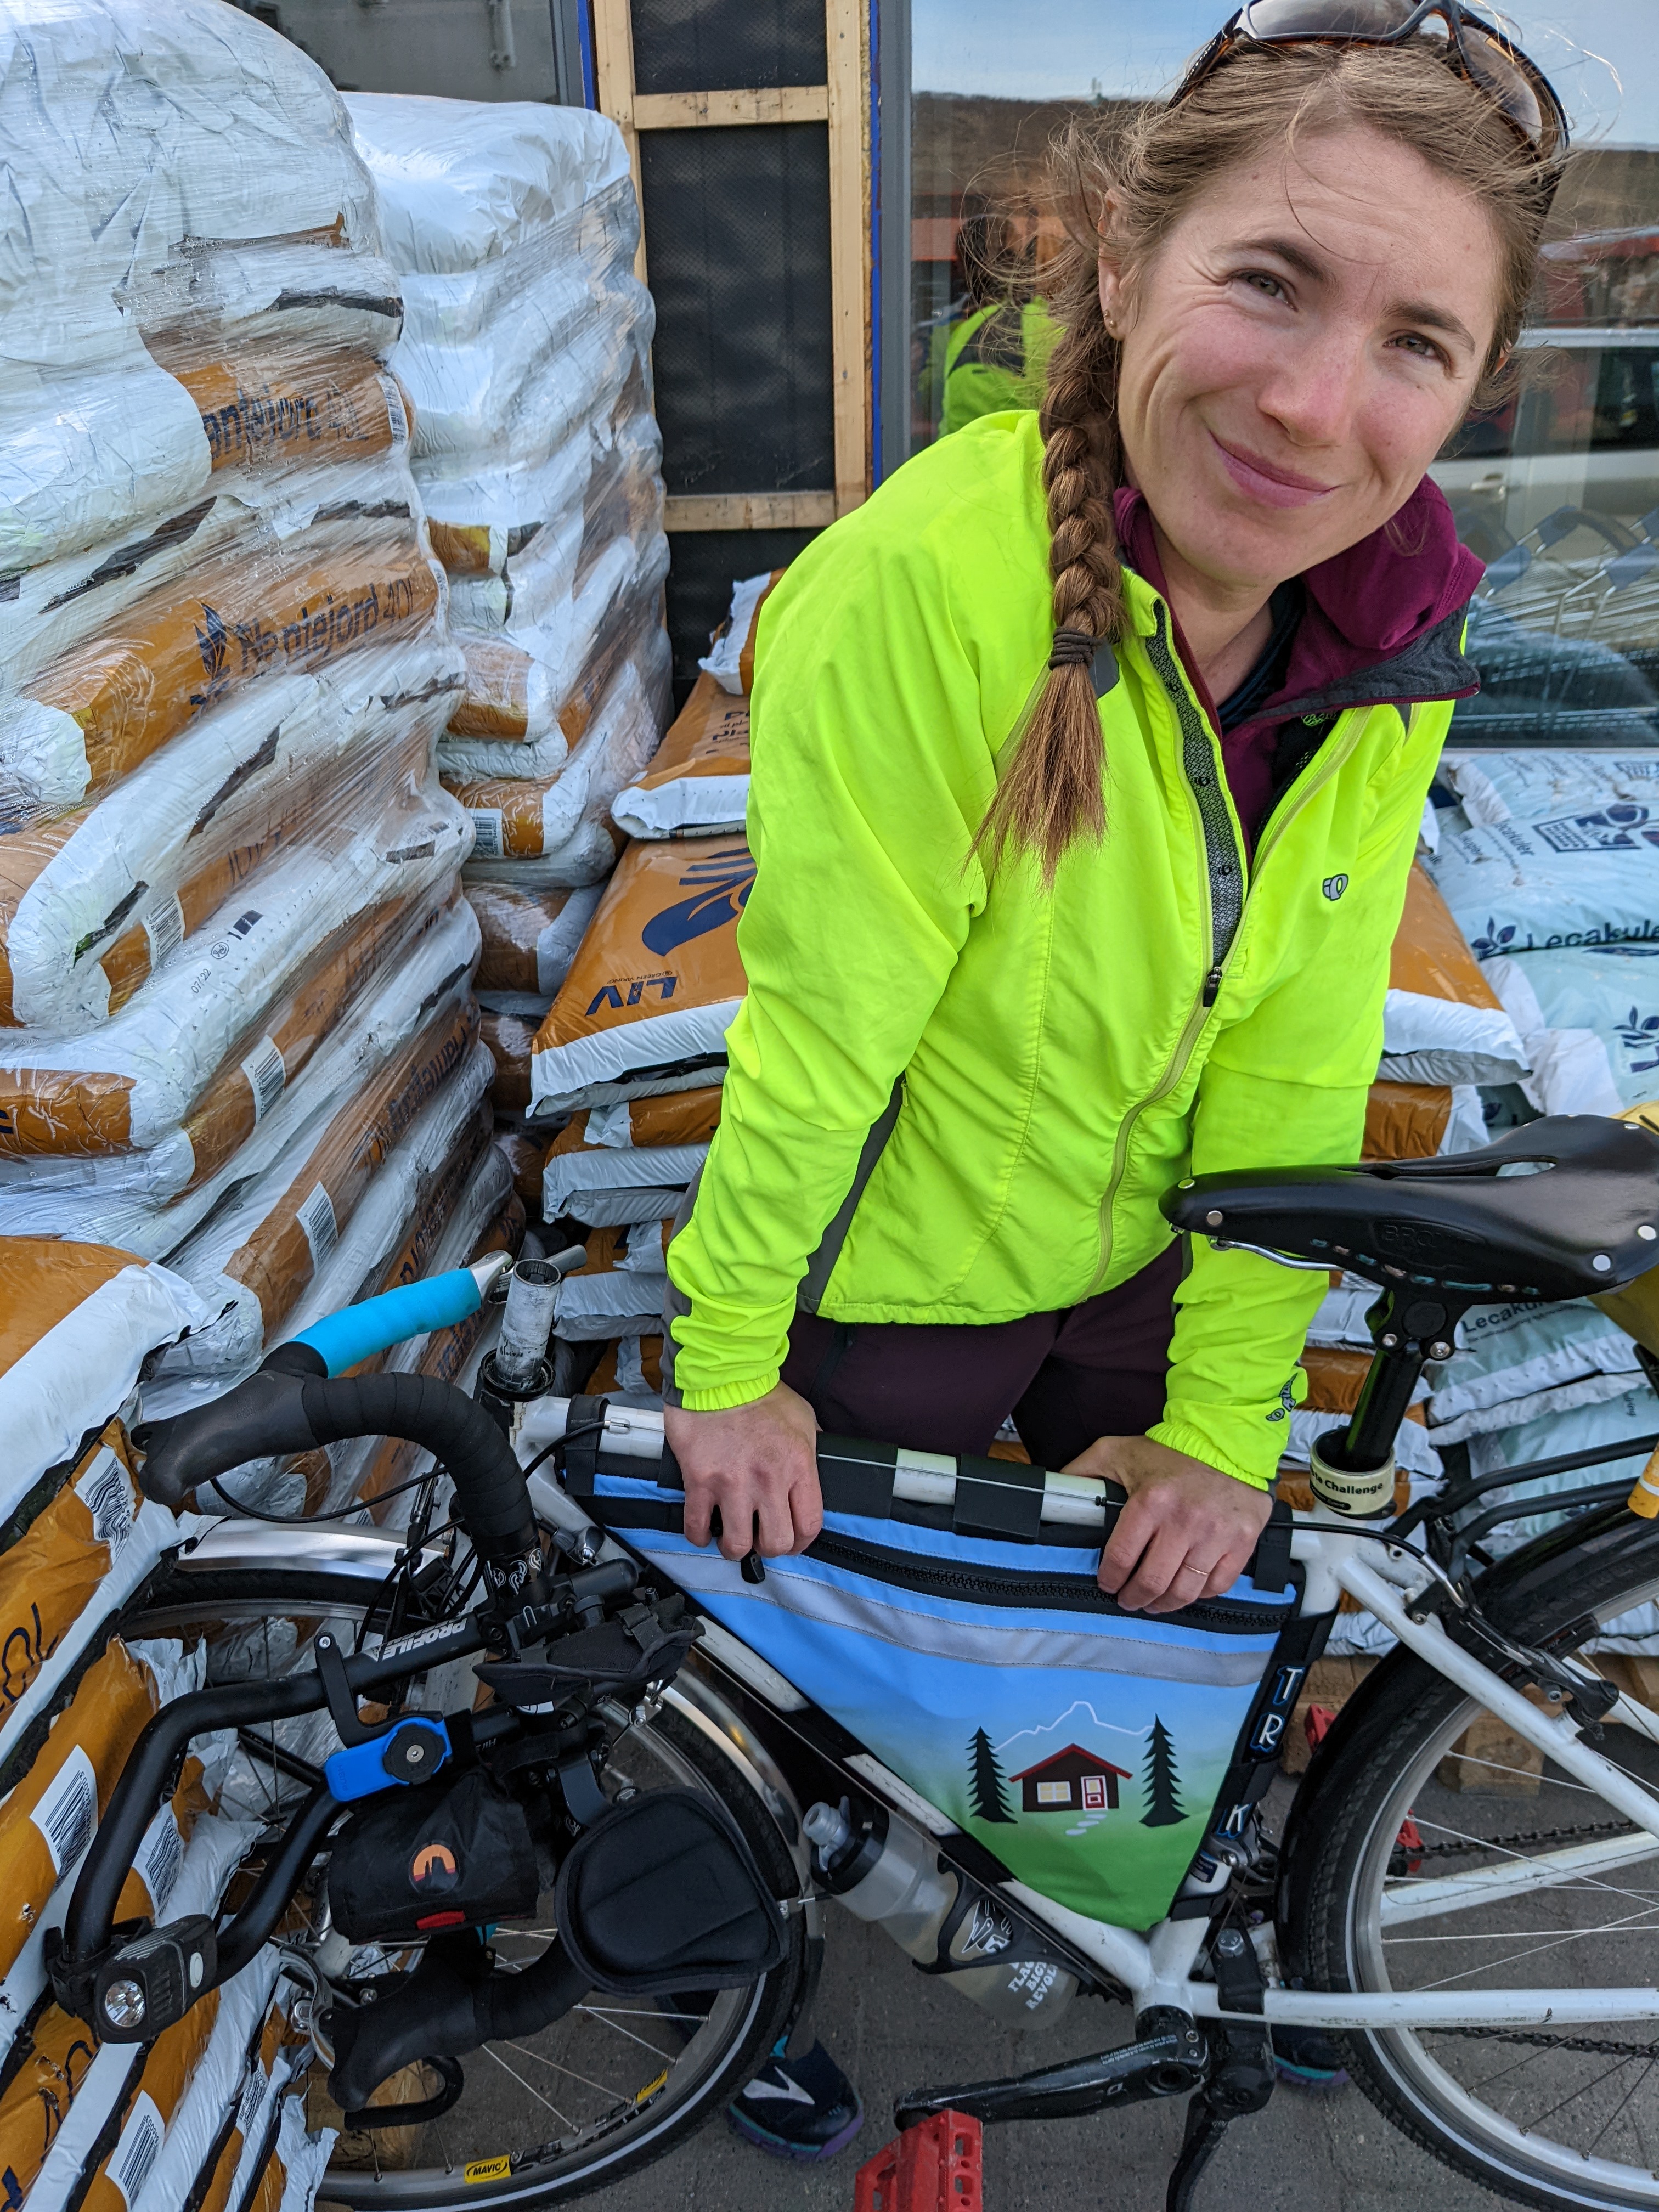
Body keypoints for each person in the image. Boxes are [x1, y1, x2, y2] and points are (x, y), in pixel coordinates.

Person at [665, 1, 1565, 2159]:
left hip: (1162, 1261)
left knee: (1135, 1627)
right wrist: (728, 1359)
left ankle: (1149, 1900)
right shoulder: (918, 588)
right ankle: (755, 1965)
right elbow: (829, 1024)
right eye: (1271, 280)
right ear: (1124, 263)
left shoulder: (1389, 634)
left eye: (1416, 343)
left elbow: (1293, 1048)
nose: (1318, 403)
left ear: (1470, 388)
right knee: (822, 1659)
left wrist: (1226, 1427)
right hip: (909, 1265)